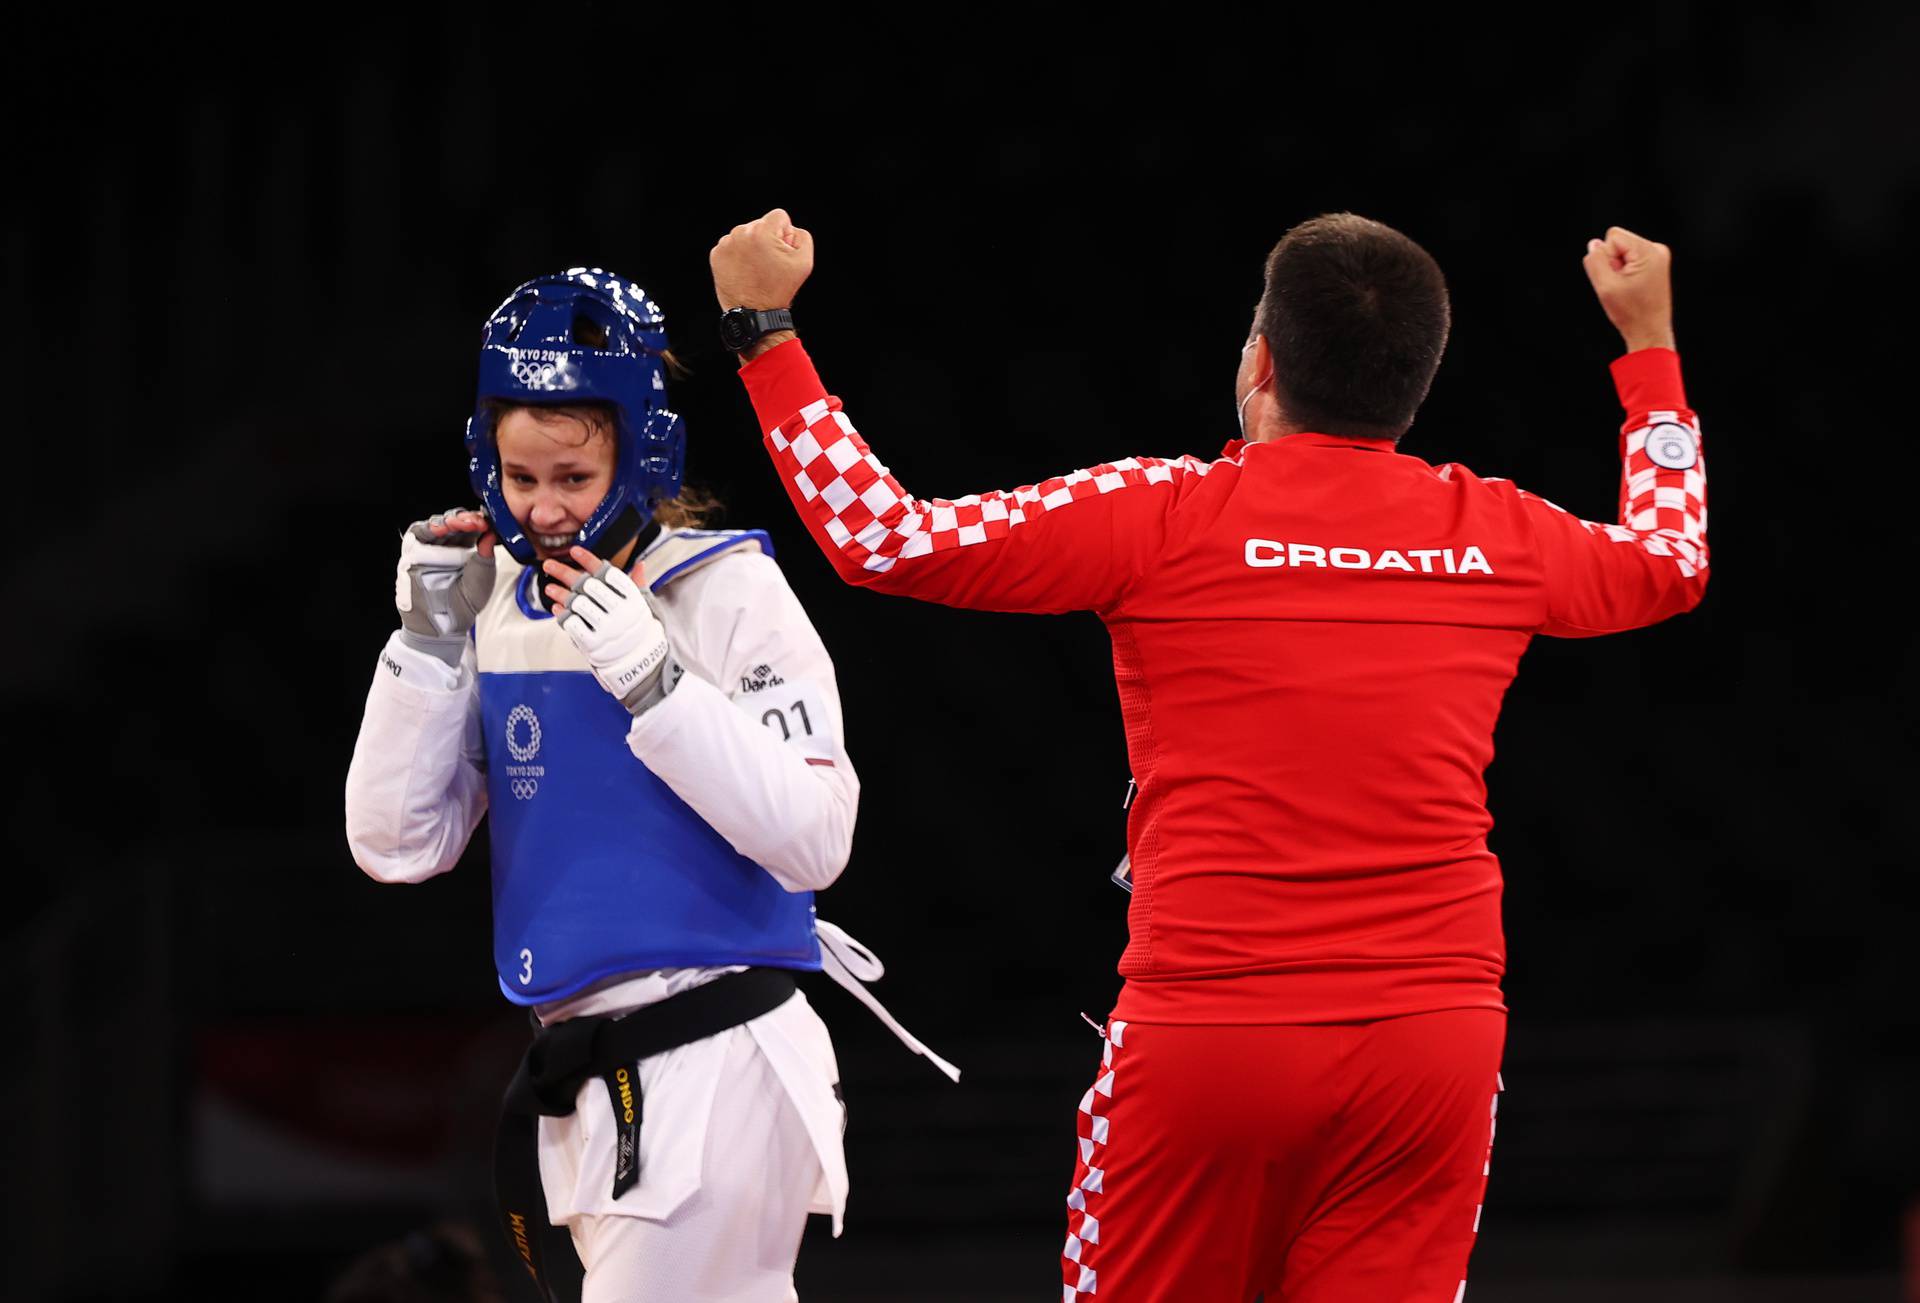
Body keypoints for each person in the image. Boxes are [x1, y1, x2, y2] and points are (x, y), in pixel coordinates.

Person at [708, 210, 1707, 1302]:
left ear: (1262, 359)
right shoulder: (1494, 530)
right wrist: (1647, 350)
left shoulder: (1170, 514)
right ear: (1412, 387)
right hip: (1435, 1048)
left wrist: (764, 332)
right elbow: (1671, 558)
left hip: (1212, 1041)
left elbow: (881, 537)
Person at [344, 268, 954, 1303]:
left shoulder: (727, 590)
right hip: (592, 1090)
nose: (542, 509)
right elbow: (397, 846)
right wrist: (424, 641)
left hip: (713, 1061)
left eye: (572, 477)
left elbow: (816, 840)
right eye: (519, 475)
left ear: (644, 450)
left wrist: (656, 683)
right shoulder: (493, 604)